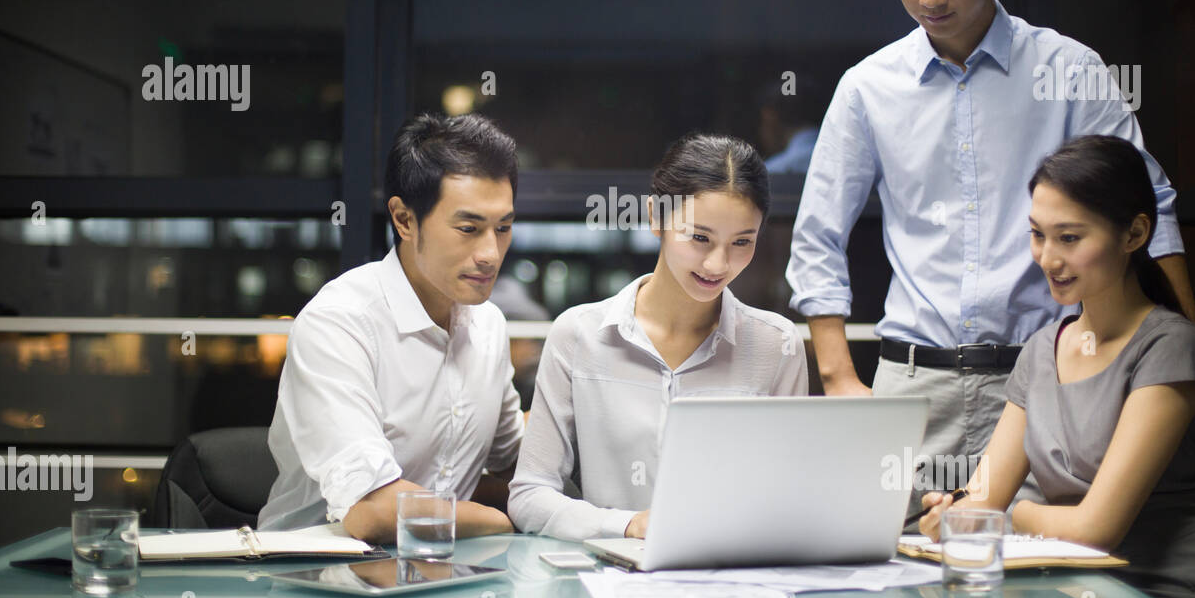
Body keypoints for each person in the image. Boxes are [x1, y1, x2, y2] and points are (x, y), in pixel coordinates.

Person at [787, 0, 1195, 516]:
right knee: (899, 583)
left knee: (1044, 595)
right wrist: (839, 375)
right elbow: (817, 236)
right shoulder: (868, 89)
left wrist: (1189, 366)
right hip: (911, 387)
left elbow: (1150, 208)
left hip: (1052, 383)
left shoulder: (1069, 70)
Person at [918, 135, 1195, 598]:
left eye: (1069, 238)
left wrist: (1013, 516)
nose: (1047, 258)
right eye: (1037, 235)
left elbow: (1096, 530)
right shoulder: (1041, 351)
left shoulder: (1168, 346)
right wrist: (949, 515)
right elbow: (980, 502)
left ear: (1135, 233)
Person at [508, 134, 809, 541]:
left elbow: (790, 494)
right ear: (655, 217)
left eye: (742, 242)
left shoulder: (777, 345)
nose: (718, 264)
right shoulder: (578, 335)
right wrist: (627, 525)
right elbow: (530, 496)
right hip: (609, 583)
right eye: (699, 237)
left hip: (734, 581)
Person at [258, 113, 524, 541]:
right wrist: (503, 524)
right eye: (469, 229)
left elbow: (516, 457)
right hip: (316, 583)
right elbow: (375, 512)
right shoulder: (340, 323)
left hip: (438, 577)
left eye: (504, 228)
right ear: (403, 220)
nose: (491, 253)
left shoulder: (488, 323)